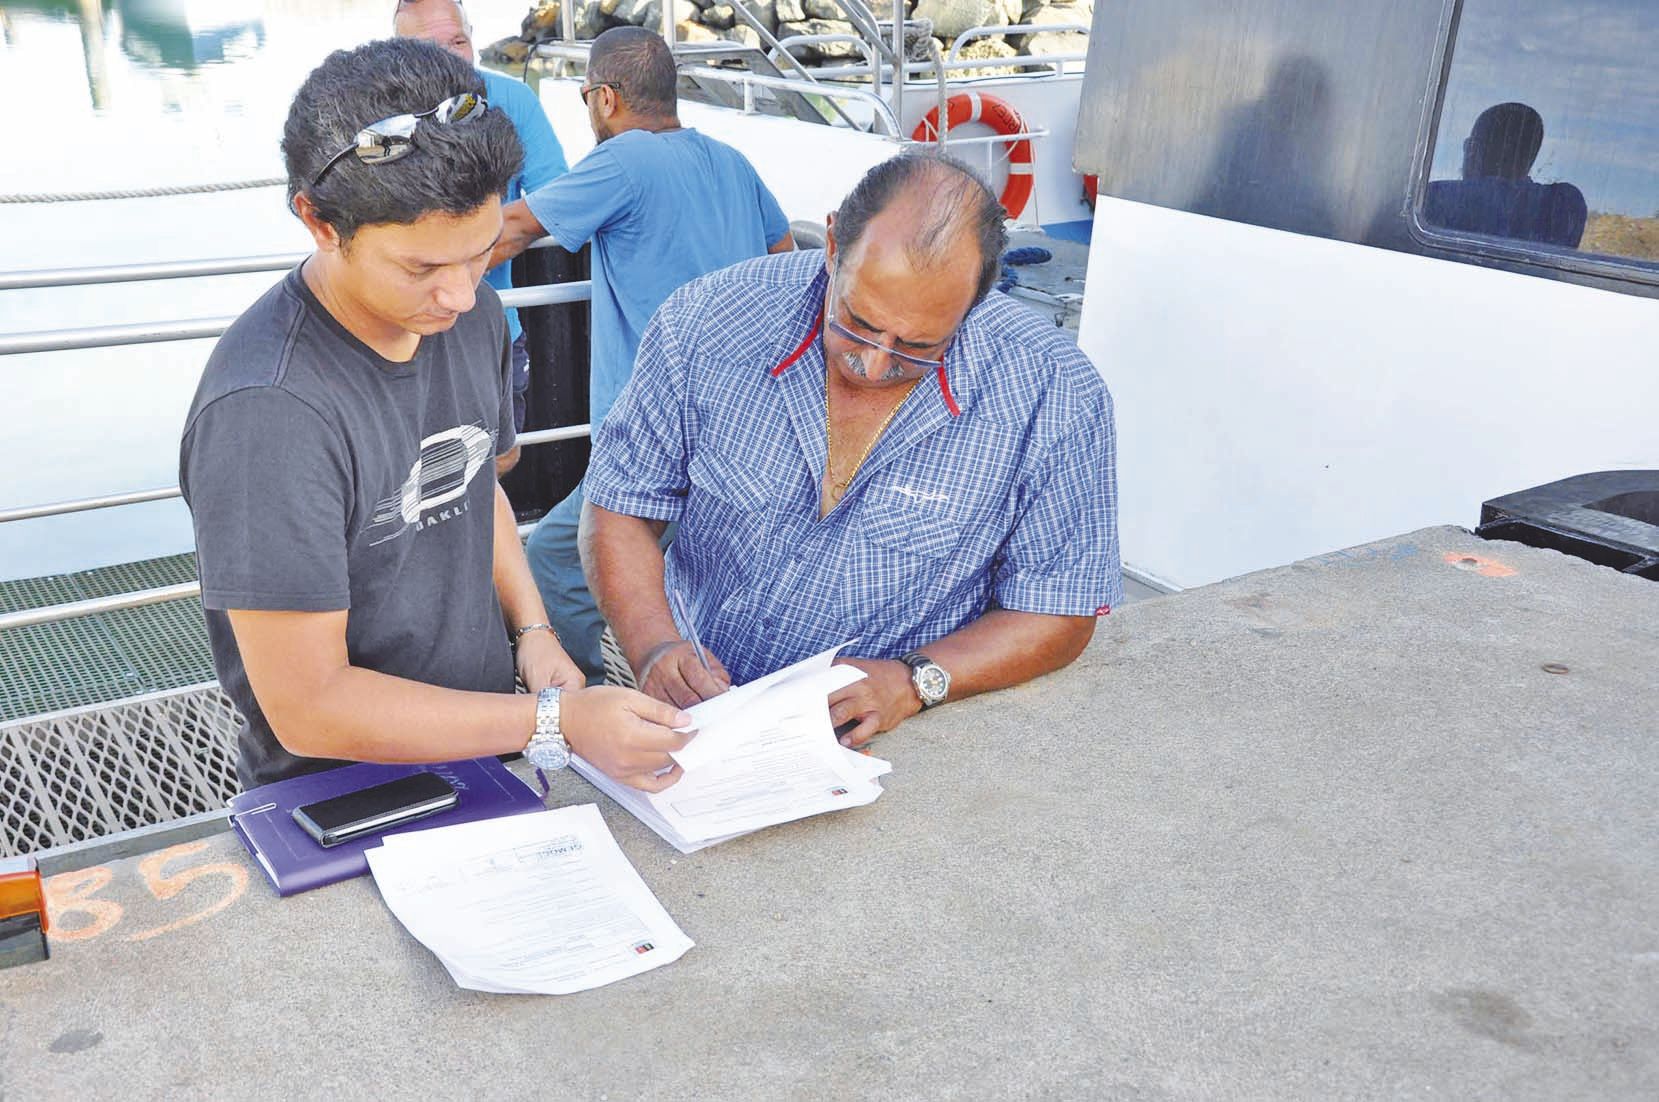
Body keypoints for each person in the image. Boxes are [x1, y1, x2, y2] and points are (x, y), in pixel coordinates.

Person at [179, 39, 690, 793]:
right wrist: (553, 724)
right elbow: (308, 706)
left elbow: (473, 477)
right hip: (338, 789)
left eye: (479, 252)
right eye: (421, 268)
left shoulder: (473, 314)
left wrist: (533, 629)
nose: (457, 295)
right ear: (319, 222)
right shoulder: (267, 412)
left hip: (486, 745)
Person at [582, 152, 1122, 748]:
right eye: (858, 322)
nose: (874, 363)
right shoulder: (707, 322)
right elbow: (620, 506)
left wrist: (916, 679)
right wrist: (656, 646)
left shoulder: (1057, 394)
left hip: (896, 731)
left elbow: (1061, 608)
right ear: (834, 244)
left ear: (974, 306)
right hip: (691, 696)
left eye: (919, 347)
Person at [488, 25, 795, 681]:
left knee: (555, 563)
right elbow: (783, 259)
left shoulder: (623, 158)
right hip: (740, 424)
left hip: (654, 435)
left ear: (604, 98)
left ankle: (581, 699)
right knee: (683, 575)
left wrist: (423, 283)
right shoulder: (729, 161)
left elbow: (513, 230)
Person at [393, 0, 569, 474]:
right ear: (398, 53)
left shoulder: (511, 100)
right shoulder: (379, 111)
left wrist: (466, 255)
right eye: (431, 48)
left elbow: (556, 198)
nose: (452, 58)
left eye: (459, 42)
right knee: (398, 469)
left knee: (499, 456)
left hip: (491, 325)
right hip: (396, 330)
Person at [1423, 102, 1586, 249]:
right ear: (1530, 157)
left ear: (1474, 150)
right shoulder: (1564, 205)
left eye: (1468, 145)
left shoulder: (1435, 197)